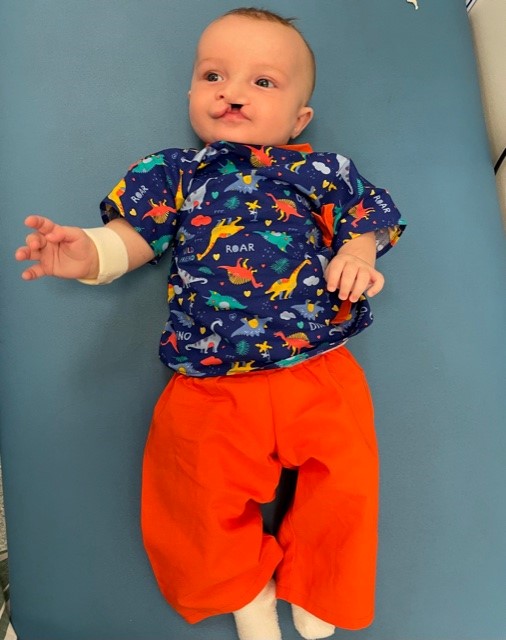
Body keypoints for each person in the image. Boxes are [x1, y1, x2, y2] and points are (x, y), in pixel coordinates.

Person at [15, 8, 405, 640]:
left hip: (318, 364)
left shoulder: (321, 171)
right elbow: (131, 238)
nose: (232, 91)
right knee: (188, 494)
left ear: (299, 118)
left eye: (263, 82)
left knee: (349, 482)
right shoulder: (177, 172)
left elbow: (371, 217)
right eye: (214, 74)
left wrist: (358, 251)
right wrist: (89, 253)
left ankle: (321, 581)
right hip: (210, 378)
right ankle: (243, 587)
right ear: (192, 93)